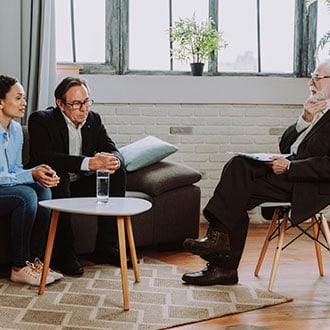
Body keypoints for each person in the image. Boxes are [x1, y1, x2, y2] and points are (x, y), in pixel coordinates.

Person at [182, 59, 330, 286]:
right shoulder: (316, 110)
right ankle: (220, 251)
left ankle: (222, 258)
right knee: (238, 167)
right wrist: (304, 119)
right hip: (291, 174)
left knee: (237, 187)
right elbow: (285, 146)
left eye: (316, 78)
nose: (310, 83)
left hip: (308, 184)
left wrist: (290, 166)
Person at [27, 77, 127, 276]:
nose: (83, 108)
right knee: (59, 175)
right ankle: (64, 254)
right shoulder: (41, 120)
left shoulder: (94, 119)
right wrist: (89, 162)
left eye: (87, 101)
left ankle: (106, 247)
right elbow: (46, 157)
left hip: (80, 183)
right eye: (76, 104)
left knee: (117, 173)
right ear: (61, 104)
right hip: (52, 183)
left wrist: (113, 161)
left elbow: (114, 151)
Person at [0, 74, 62, 286]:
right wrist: (30, 175)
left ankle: (35, 261)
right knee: (26, 195)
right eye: (18, 98)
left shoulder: (16, 129)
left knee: (43, 190)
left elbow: (15, 169)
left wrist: (37, 172)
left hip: (5, 188)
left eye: (24, 98)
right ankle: (19, 266)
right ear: (0, 101)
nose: (24, 103)